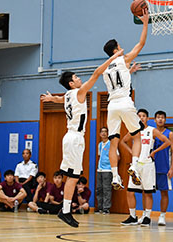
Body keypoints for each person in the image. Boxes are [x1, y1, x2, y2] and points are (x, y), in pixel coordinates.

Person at [41, 48, 124, 227]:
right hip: (74, 138)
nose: (80, 79)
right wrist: (115, 57)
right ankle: (65, 211)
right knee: (72, 177)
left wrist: (51, 98)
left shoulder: (68, 95)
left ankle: (65, 210)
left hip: (71, 137)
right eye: (77, 78)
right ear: (71, 83)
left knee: (72, 176)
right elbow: (96, 74)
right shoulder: (78, 92)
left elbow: (60, 100)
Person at [102, 9, 149, 190]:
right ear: (116, 49)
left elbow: (118, 81)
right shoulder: (124, 58)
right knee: (138, 137)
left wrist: (129, 73)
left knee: (113, 142)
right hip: (125, 102)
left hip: (112, 105)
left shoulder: (106, 68)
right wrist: (145, 23)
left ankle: (115, 176)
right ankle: (134, 168)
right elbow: (141, 43)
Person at [120, 109, 170, 227]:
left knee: (147, 193)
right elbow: (122, 142)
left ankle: (147, 217)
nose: (141, 118)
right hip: (136, 165)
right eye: (139, 116)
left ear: (147, 118)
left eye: (144, 116)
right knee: (130, 192)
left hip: (148, 165)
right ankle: (132, 216)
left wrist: (155, 152)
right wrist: (132, 152)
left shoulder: (152, 130)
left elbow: (167, 142)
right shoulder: (134, 130)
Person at [153, 110, 173, 226]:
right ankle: (146, 215)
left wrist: (172, 168)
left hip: (164, 167)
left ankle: (162, 216)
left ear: (165, 119)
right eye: (158, 117)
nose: (160, 119)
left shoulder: (170, 134)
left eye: (162, 117)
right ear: (154, 119)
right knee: (146, 192)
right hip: (151, 167)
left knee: (164, 193)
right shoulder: (151, 132)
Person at [96, 126, 119, 214]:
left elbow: (117, 156)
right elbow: (99, 156)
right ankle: (100, 207)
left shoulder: (112, 144)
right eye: (102, 131)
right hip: (100, 170)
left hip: (108, 170)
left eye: (105, 131)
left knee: (107, 189)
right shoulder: (100, 144)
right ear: (99, 134)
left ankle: (106, 208)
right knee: (99, 189)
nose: (104, 133)